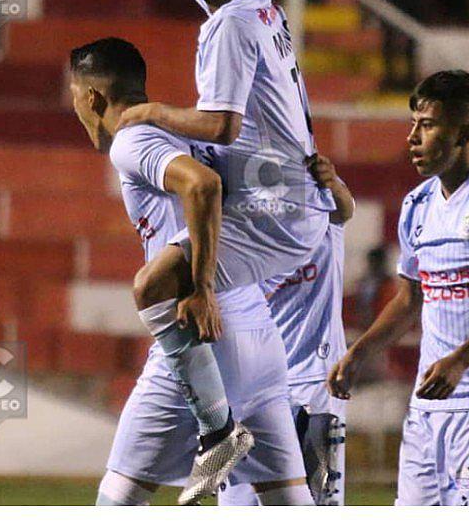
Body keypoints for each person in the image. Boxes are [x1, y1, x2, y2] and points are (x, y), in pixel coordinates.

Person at [109, 0, 338, 424]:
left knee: (157, 286)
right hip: (291, 198)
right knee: (198, 291)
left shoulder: (230, 25)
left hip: (274, 209)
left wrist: (151, 111)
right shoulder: (256, 7)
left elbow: (221, 125)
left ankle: (218, 426)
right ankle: (272, 419)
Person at [69, 38, 311, 506]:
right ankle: (240, 431)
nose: (76, 109)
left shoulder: (133, 140)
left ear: (93, 97)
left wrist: (200, 287)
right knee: (289, 504)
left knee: (116, 503)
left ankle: (217, 431)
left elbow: (203, 185)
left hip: (203, 335)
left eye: (75, 97)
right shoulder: (184, 133)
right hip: (260, 337)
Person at [327, 70, 469, 505]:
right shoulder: (417, 205)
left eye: (427, 125)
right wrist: (360, 351)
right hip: (430, 404)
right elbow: (409, 299)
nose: (413, 137)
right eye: (413, 124)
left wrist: (460, 361)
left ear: (463, 132)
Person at [220, 155, 356, 505]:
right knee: (241, 502)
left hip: (314, 381)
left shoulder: (317, 217)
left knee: (315, 500)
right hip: (253, 381)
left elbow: (344, 209)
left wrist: (331, 181)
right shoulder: (239, 240)